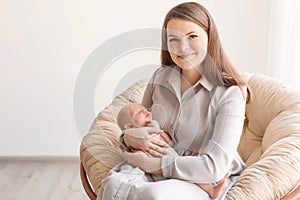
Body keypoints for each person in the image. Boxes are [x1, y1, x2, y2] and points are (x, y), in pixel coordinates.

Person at [99, 2, 251, 200]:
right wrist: (127, 139)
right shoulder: (160, 77)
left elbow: (214, 167)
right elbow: (138, 126)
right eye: (173, 39)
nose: (183, 48)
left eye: (192, 36)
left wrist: (152, 164)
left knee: (155, 195)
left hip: (201, 178)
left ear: (209, 37)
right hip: (156, 168)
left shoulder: (230, 93)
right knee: (112, 184)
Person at [116, 102, 230, 199]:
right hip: (152, 162)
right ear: (128, 126)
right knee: (178, 176)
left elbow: (169, 141)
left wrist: (165, 137)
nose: (145, 111)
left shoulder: (154, 124)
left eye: (145, 109)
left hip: (170, 155)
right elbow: (133, 153)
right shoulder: (130, 134)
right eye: (138, 112)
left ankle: (211, 188)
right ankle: (210, 189)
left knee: (187, 172)